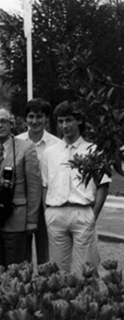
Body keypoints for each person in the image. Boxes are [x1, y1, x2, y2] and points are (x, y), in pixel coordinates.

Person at [42, 101, 110, 274]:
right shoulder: (50, 152)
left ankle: (90, 301)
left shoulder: (93, 150)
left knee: (87, 270)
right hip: (56, 214)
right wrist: (47, 212)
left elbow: (103, 185)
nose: (64, 126)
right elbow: (45, 184)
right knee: (57, 271)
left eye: (68, 120)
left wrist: (93, 215)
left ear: (78, 121)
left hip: (83, 212)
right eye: (60, 121)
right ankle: (59, 301)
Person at [0, 106, 42, 266]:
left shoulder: (26, 148)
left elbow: (34, 187)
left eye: (3, 121)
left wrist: (32, 220)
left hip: (16, 218)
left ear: (11, 124)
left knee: (16, 269)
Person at [16, 98, 61, 264]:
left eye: (39, 116)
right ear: (25, 118)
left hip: (46, 203)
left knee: (46, 254)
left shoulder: (57, 145)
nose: (35, 121)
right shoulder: (17, 142)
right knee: (23, 255)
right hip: (22, 203)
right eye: (31, 116)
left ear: (46, 119)